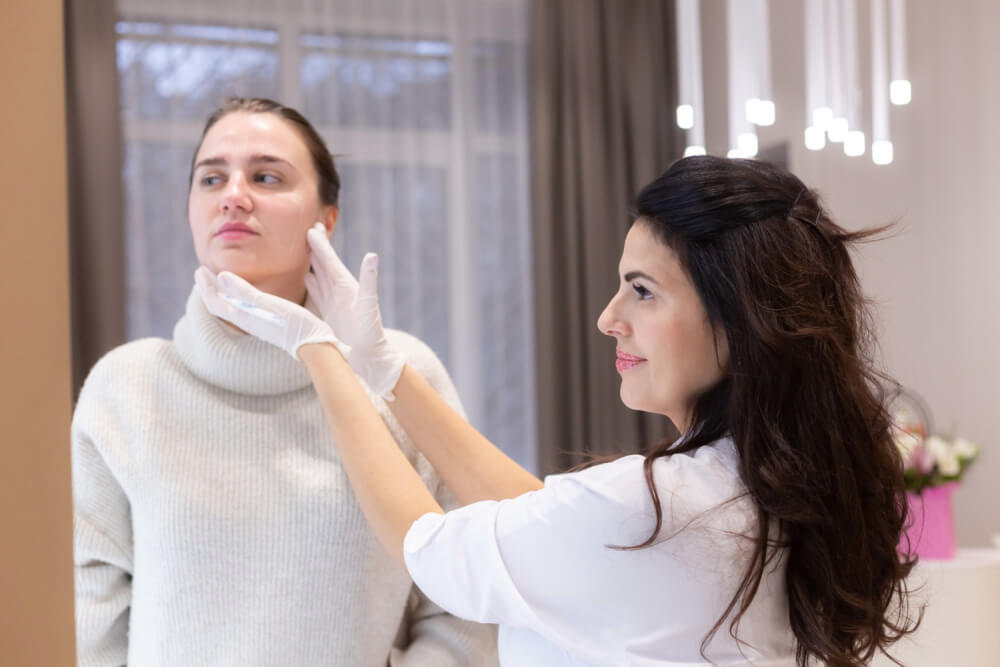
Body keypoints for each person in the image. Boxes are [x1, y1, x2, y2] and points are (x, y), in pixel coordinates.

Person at [197, 155, 920, 666]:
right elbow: (552, 521)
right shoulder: (764, 490)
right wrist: (386, 371)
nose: (609, 318)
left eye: (642, 290)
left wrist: (320, 351)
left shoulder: (657, 508)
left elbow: (428, 544)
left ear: (739, 319)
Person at [71, 97, 498, 666]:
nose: (233, 195)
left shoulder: (400, 375)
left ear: (325, 219)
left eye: (266, 176)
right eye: (211, 178)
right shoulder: (126, 386)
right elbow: (87, 611)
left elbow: (467, 596)